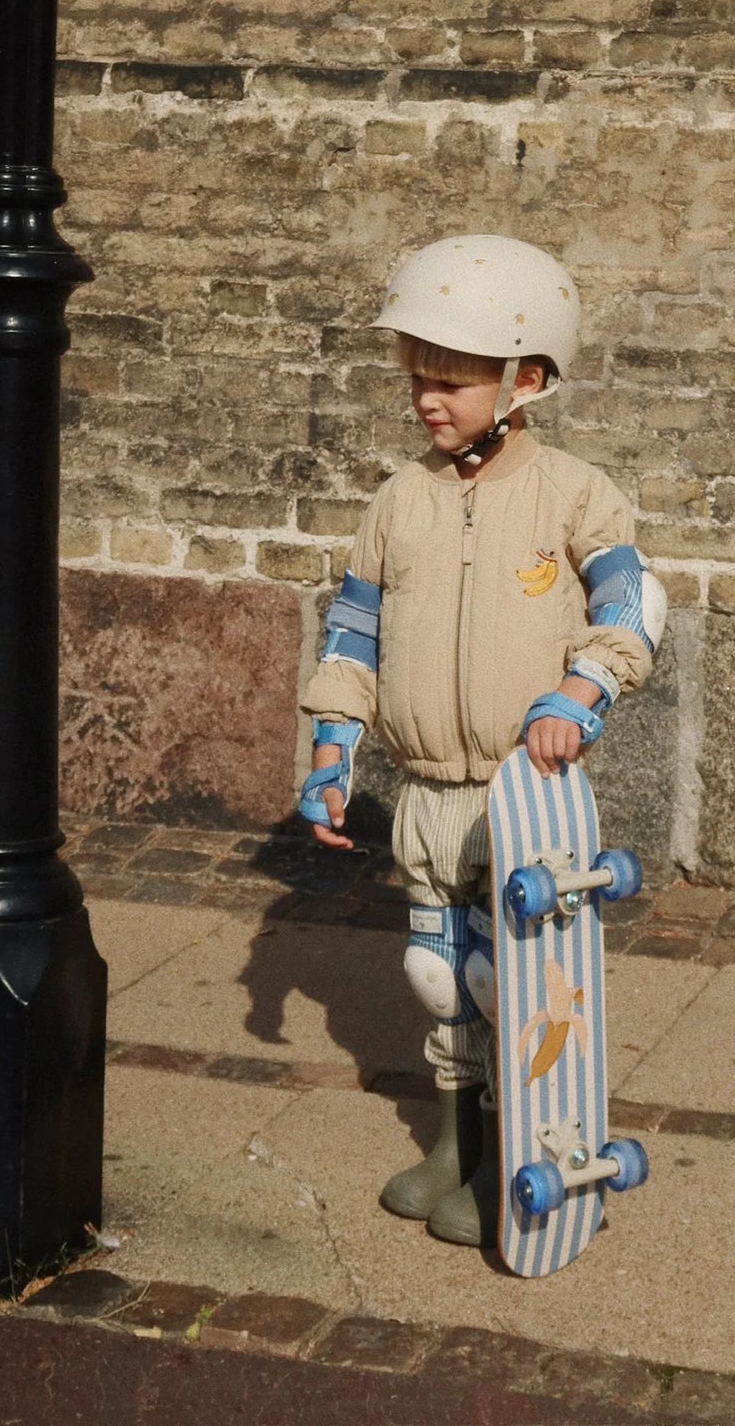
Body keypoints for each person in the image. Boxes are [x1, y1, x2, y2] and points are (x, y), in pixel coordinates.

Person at [296, 233, 666, 1246]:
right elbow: (354, 632)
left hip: (521, 791)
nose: (428, 397)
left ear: (527, 378)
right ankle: (453, 1144)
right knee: (435, 977)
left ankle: (516, 1155)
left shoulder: (574, 495)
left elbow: (632, 605)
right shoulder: (398, 502)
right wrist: (332, 752)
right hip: (422, 786)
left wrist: (579, 693)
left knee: (510, 987)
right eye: (420, 375)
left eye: (452, 380)